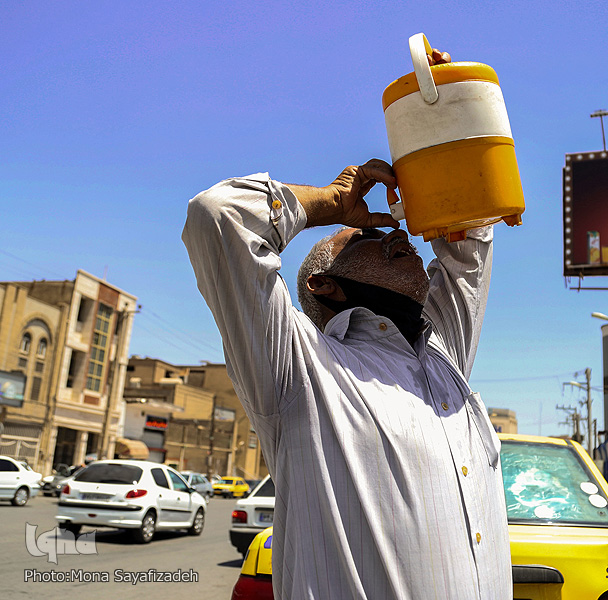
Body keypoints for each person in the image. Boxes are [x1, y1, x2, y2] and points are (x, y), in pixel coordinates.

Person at [182, 50, 512, 600]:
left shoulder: (443, 356)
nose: (397, 234)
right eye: (367, 237)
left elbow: (471, 232)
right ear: (323, 284)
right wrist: (332, 204)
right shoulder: (301, 371)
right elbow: (219, 217)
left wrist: (444, 115)